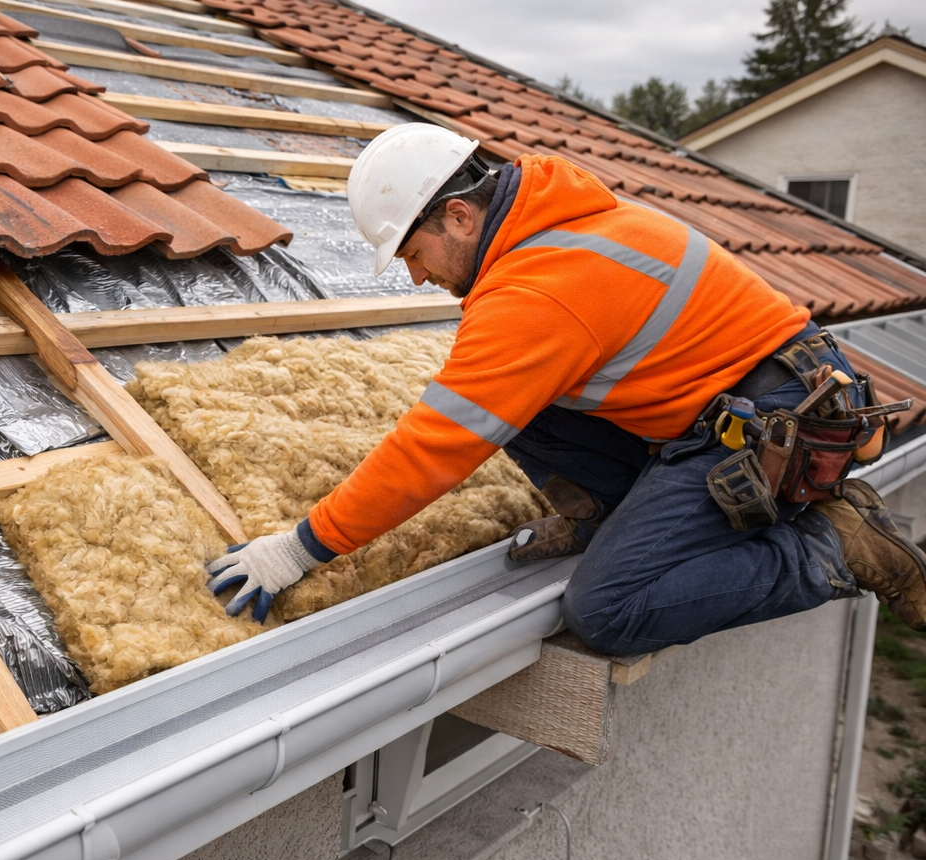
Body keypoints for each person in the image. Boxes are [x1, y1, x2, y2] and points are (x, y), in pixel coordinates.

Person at [207, 124, 926, 656]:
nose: (416, 276)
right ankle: (604, 517)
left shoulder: (540, 292)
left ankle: (830, 546)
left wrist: (302, 549)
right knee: (507, 401)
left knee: (608, 610)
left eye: (413, 253)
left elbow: (434, 447)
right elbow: (474, 405)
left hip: (766, 430)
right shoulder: (558, 221)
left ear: (458, 215)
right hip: (741, 403)